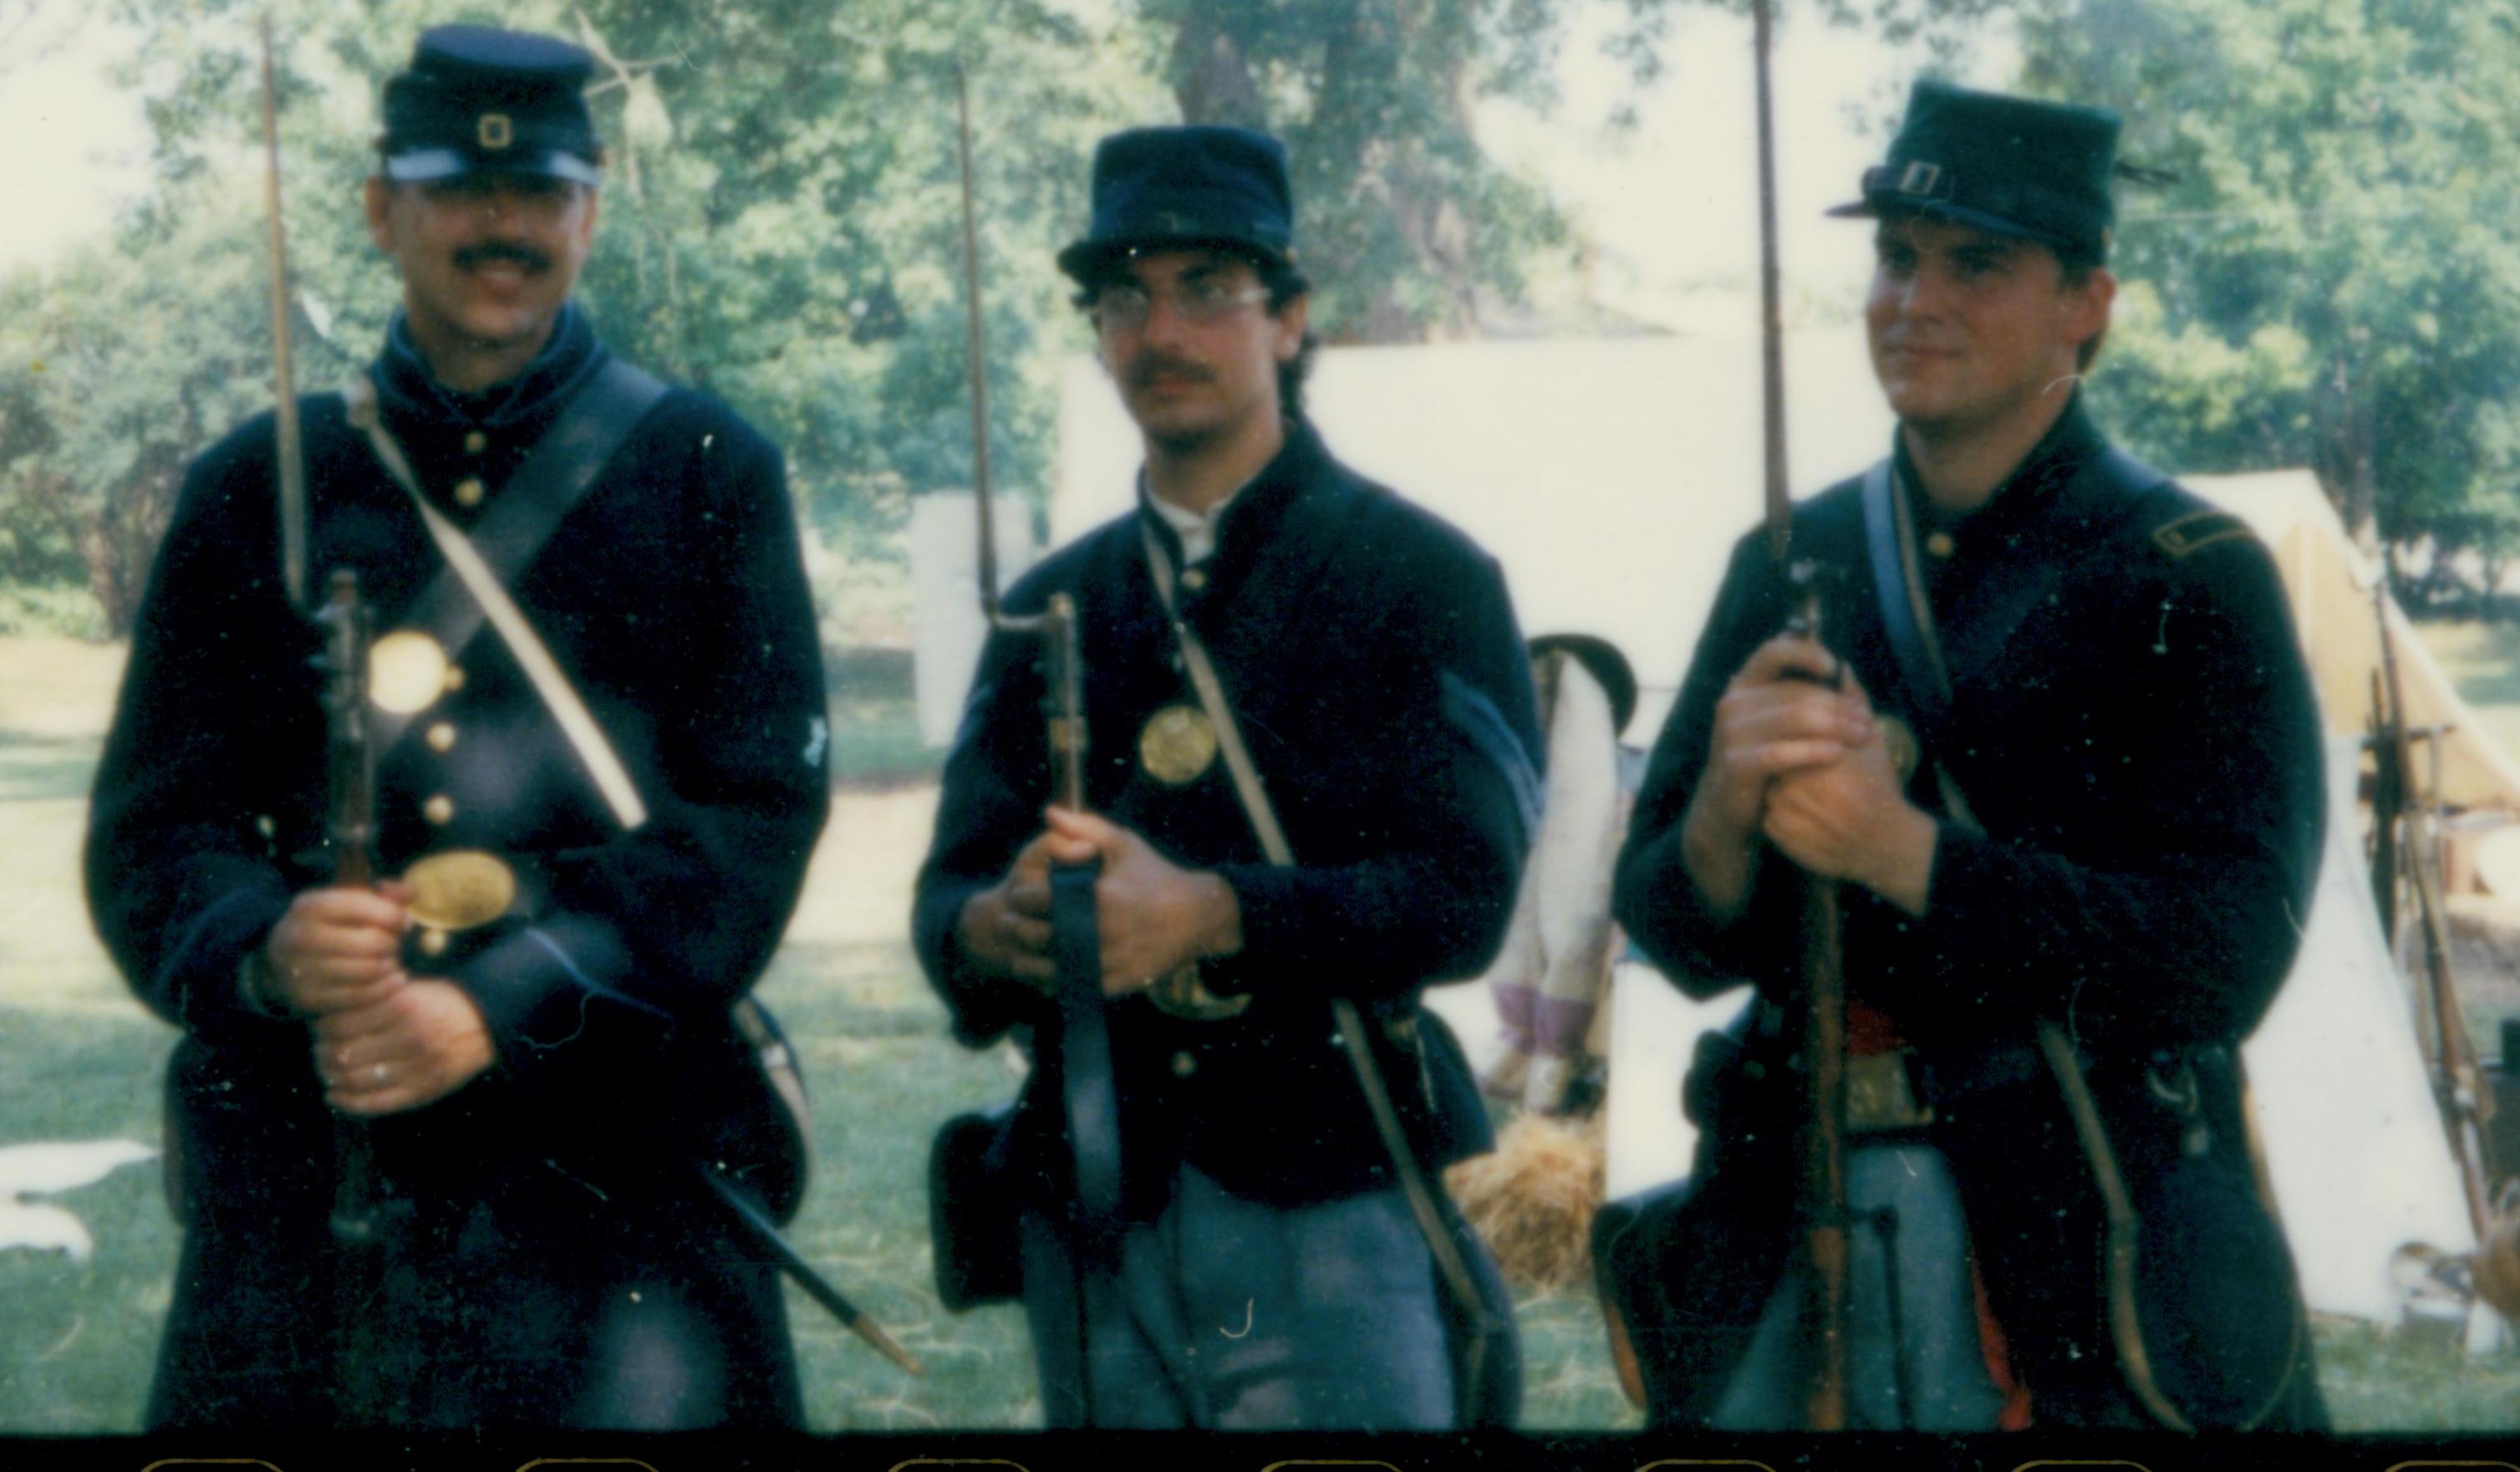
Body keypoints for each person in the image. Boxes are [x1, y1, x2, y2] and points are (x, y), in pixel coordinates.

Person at [88, 24, 829, 1429]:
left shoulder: (708, 470)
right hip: (318, 1185)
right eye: (458, 192)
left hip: (621, 1193)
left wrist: (502, 1001)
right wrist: (265, 949)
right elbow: (156, 830)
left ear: (589, 214)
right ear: (382, 209)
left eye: (541, 195)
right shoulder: (258, 486)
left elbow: (747, 828)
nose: (505, 226)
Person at [1610, 79, 2325, 1430]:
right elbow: (1671, 932)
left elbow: (2229, 957)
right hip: (1789, 1207)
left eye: (1976, 264)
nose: (1912, 299)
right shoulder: (1785, 559)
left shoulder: (2189, 575)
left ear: (2087, 303)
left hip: (2079, 1242)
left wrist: (1910, 859)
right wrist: (1715, 815)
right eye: (1896, 256)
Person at [915, 125, 1541, 1429]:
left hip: (1328, 1187)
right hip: (1093, 1188)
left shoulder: (1421, 576)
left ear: (1292, 319)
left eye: (1210, 289)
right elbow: (948, 899)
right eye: (1126, 296)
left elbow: (1464, 900)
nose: (1164, 331)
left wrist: (1213, 914)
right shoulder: (1049, 604)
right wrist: (996, 923)